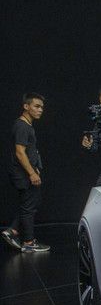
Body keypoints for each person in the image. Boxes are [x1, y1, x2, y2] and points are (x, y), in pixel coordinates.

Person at [2, 93, 49, 252]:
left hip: (26, 172)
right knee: (29, 207)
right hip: (22, 174)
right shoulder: (22, 126)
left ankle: (12, 231)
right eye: (37, 106)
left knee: (30, 204)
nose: (40, 110)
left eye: (42, 107)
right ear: (26, 106)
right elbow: (20, 152)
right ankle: (28, 243)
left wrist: (35, 168)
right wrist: (31, 173)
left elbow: (28, 152)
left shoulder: (26, 126)